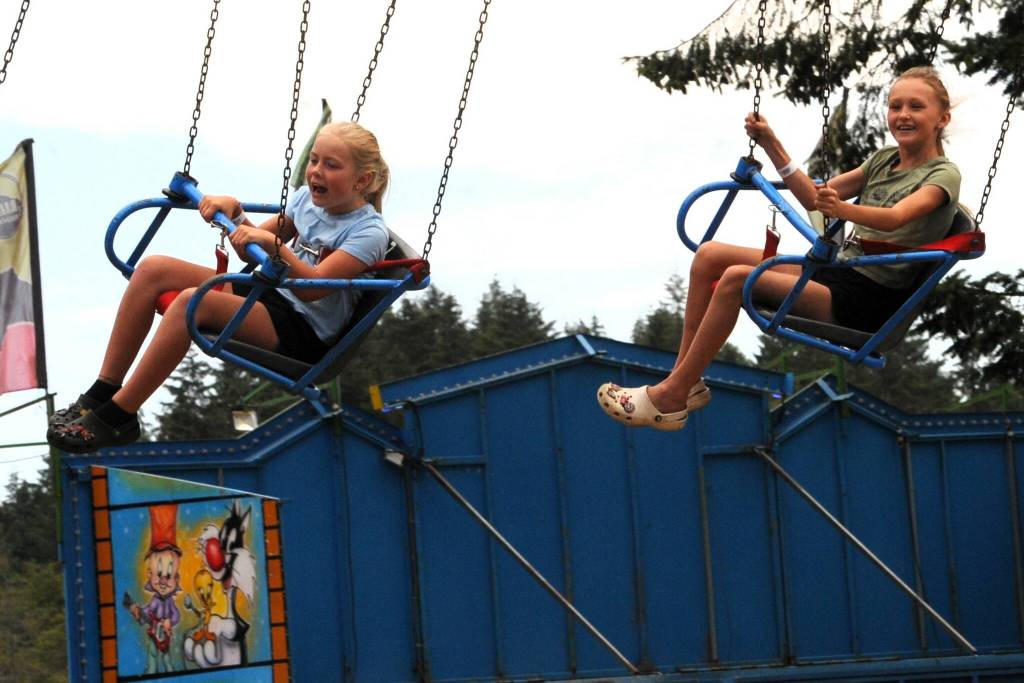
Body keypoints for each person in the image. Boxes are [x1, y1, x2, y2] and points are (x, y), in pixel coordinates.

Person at [597, 66, 961, 432]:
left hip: (867, 301)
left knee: (739, 278)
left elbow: (898, 217)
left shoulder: (943, 175)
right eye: (895, 106)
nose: (903, 115)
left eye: (916, 107)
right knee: (710, 255)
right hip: (839, 275)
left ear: (941, 118)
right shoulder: (883, 160)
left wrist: (843, 209)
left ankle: (668, 397)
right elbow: (813, 198)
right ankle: (685, 381)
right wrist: (771, 143)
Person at [47, 122, 391, 452]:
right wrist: (237, 215)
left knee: (191, 303)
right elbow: (250, 249)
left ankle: (119, 416)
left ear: (362, 180)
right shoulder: (304, 201)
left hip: (303, 330)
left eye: (331, 166)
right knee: (153, 269)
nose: (316, 171)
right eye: (314, 160)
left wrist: (275, 246)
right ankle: (103, 389)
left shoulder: (369, 233)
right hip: (270, 295)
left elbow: (313, 288)